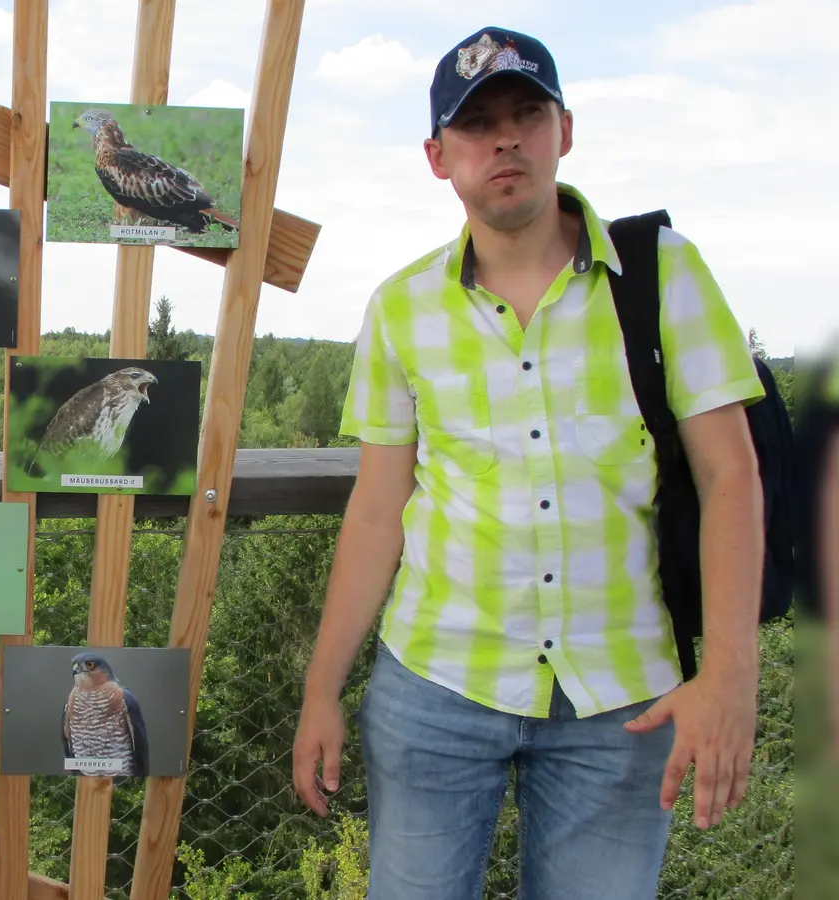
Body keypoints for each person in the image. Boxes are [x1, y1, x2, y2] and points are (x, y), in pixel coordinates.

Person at [292, 27, 766, 900]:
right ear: (439, 157)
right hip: (436, 683)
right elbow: (375, 511)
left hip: (625, 698)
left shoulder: (662, 276)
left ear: (564, 130)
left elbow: (730, 474)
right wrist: (322, 690)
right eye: (477, 125)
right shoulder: (400, 310)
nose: (505, 139)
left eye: (526, 114)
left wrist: (731, 675)